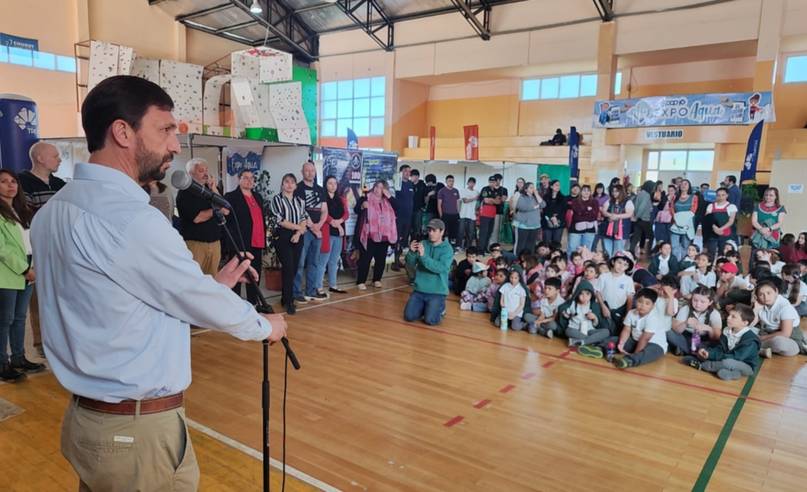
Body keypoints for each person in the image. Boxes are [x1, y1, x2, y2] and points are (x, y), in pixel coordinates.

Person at [31, 75, 287, 490]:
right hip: (135, 435)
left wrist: (213, 288)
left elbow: (117, 308)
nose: (174, 145)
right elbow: (183, 295)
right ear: (122, 131)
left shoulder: (53, 212)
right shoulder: (131, 219)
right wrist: (264, 326)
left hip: (90, 423)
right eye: (166, 130)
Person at [18, 140, 67, 359]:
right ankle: (40, 341)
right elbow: (27, 214)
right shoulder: (22, 183)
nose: (59, 159)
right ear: (40, 158)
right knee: (38, 295)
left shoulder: (60, 183)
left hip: (61, 247)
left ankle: (63, 338)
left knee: (63, 294)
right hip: (37, 248)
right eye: (55, 156)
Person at [0, 169, 43, 381]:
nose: (10, 185)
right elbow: (2, 249)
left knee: (19, 318)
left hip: (28, 267)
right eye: (4, 182)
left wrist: (32, 267)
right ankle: (2, 364)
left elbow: (28, 243)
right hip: (9, 272)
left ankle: (18, 358)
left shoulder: (21, 209)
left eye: (13, 181)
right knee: (4, 320)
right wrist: (25, 270)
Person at [580, 288, 668, 369]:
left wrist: (635, 354)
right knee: (614, 339)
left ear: (653, 306)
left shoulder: (653, 318)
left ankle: (629, 360)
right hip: (634, 341)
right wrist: (621, 344)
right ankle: (599, 349)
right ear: (636, 301)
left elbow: (645, 338)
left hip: (654, 344)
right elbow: (626, 330)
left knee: (648, 352)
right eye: (640, 301)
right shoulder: (631, 313)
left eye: (647, 303)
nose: (642, 305)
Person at [685, 304, 760, 381]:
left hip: (745, 365)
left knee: (727, 362)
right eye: (729, 315)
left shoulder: (750, 340)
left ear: (745, 323)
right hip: (726, 358)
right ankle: (734, 373)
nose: (728, 318)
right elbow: (720, 348)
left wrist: (712, 356)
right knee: (707, 349)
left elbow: (737, 358)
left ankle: (702, 365)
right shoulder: (727, 330)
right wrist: (708, 353)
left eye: (733, 317)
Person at [176, 157, 225, 277]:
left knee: (213, 280)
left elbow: (225, 208)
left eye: (206, 170)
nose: (206, 174)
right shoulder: (185, 192)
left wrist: (213, 187)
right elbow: (198, 218)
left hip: (214, 242)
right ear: (190, 174)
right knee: (194, 278)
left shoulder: (210, 189)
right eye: (201, 171)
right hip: (195, 244)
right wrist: (216, 210)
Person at [224, 169, 265, 306]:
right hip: (240, 242)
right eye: (246, 178)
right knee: (237, 274)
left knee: (254, 274)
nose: (249, 181)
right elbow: (227, 218)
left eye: (252, 178)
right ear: (239, 179)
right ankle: (233, 304)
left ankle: (253, 303)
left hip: (257, 241)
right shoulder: (231, 196)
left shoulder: (258, 196)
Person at [404, 218, 454, 325]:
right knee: (409, 316)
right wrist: (411, 253)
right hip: (420, 289)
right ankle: (426, 307)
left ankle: (440, 307)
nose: (431, 233)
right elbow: (410, 264)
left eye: (434, 230)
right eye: (429, 230)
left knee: (430, 320)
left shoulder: (447, 249)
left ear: (442, 232)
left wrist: (424, 256)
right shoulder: (423, 244)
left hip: (437, 292)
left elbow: (439, 268)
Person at [271, 173, 308, 314]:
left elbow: (304, 218)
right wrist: (298, 228)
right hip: (283, 236)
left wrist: (298, 234)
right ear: (282, 184)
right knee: (288, 267)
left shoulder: (299, 200)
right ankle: (289, 301)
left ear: (296, 185)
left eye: (292, 182)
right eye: (286, 182)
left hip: (298, 237)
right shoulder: (277, 199)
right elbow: (280, 220)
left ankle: (284, 297)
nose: (289, 184)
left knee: (294, 269)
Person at [293, 160, 329, 302]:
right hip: (304, 230)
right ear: (302, 172)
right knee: (300, 262)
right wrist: (313, 227)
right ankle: (296, 292)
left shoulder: (320, 189)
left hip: (317, 231)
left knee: (314, 262)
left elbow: (325, 211)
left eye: (312, 170)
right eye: (307, 170)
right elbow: (300, 210)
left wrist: (319, 225)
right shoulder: (298, 188)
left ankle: (311, 291)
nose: (310, 173)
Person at [357, 180, 397, 290]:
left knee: (381, 259)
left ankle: (377, 279)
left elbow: (398, 207)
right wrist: (362, 207)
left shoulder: (387, 201)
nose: (377, 189)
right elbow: (357, 210)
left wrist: (389, 196)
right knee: (365, 259)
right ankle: (361, 281)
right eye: (376, 186)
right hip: (369, 234)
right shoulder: (365, 197)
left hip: (384, 236)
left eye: (380, 187)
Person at [753, 279, 805, 357]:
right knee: (744, 330)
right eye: (761, 294)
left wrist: (762, 338)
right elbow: (750, 324)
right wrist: (756, 309)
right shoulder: (761, 304)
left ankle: (753, 346)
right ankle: (758, 349)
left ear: (776, 291)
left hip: (790, 339)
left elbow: (785, 333)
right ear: (757, 296)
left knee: (778, 343)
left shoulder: (785, 307)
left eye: (768, 293)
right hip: (768, 334)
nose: (766, 297)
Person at [668, 286, 722, 356]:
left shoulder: (714, 313)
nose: (698, 304)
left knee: (712, 345)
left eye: (702, 302)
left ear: (710, 302)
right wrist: (686, 323)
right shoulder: (686, 309)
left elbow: (717, 337)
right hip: (685, 337)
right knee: (668, 332)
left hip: (703, 340)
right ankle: (692, 352)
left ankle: (684, 350)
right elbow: (677, 330)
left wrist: (709, 329)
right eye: (695, 300)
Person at [320, 175, 349, 295]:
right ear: (326, 185)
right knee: (323, 261)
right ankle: (318, 287)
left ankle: (333, 285)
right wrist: (334, 223)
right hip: (328, 232)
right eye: (330, 183)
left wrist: (339, 222)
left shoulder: (341, 199)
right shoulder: (323, 198)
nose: (333, 186)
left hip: (339, 233)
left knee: (334, 260)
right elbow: (323, 214)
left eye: (335, 184)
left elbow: (346, 214)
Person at [560, 279, 610, 347]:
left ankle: (581, 341)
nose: (584, 297)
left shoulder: (592, 305)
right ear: (577, 294)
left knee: (606, 332)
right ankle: (592, 342)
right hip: (575, 329)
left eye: (587, 294)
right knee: (568, 331)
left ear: (591, 295)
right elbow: (565, 315)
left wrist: (594, 317)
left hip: (589, 330)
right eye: (581, 294)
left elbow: (595, 324)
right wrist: (566, 314)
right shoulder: (573, 304)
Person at [599, 184, 633, 257]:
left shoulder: (628, 202)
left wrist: (617, 216)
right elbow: (604, 211)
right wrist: (611, 215)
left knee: (618, 252)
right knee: (607, 252)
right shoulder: (609, 200)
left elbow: (629, 214)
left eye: (616, 191)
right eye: (613, 191)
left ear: (621, 192)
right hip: (607, 230)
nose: (614, 193)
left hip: (621, 230)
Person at [703, 187, 737, 259]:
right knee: (711, 253)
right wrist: (715, 228)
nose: (721, 197)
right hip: (712, 233)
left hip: (726, 234)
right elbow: (707, 218)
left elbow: (731, 221)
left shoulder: (731, 206)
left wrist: (721, 229)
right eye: (718, 195)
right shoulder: (711, 206)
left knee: (724, 254)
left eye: (723, 195)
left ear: (727, 195)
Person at [670, 179, 699, 261]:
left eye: (686, 184)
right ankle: (675, 263)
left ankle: (683, 262)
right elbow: (671, 208)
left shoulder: (694, 197)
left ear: (689, 186)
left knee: (685, 245)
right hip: (675, 224)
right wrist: (676, 219)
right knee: (674, 245)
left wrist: (683, 220)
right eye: (682, 184)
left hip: (688, 224)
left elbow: (693, 210)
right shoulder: (675, 197)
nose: (683, 185)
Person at [392, 164, 414, 269]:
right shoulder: (397, 183)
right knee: (396, 239)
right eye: (406, 171)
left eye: (409, 171)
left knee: (403, 240)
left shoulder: (410, 184)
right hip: (398, 217)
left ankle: (398, 259)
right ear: (401, 172)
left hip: (408, 217)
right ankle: (394, 261)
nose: (408, 173)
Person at [513, 181, 543, 256]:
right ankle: (517, 259)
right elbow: (522, 207)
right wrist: (534, 207)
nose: (533, 189)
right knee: (521, 244)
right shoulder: (521, 197)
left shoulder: (536, 198)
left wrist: (536, 194)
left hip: (535, 225)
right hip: (523, 225)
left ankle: (529, 260)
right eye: (531, 187)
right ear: (526, 189)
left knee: (531, 244)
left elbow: (543, 204)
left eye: (534, 187)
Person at [751, 187, 786, 252]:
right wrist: (761, 229)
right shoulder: (757, 206)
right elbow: (754, 221)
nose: (768, 197)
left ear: (776, 196)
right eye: (766, 195)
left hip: (773, 235)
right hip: (758, 234)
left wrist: (768, 229)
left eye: (771, 195)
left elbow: (779, 222)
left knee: (770, 256)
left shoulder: (781, 208)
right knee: (756, 255)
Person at [567, 184, 598, 255]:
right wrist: (588, 210)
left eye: (588, 191)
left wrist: (583, 212)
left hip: (590, 230)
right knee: (573, 249)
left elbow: (594, 216)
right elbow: (577, 216)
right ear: (580, 192)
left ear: (590, 192)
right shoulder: (575, 201)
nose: (586, 192)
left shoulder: (595, 202)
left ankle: (584, 265)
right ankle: (570, 265)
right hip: (575, 229)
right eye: (584, 190)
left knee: (586, 250)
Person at [630, 180, 655, 258]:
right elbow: (642, 207)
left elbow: (636, 205)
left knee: (636, 237)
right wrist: (637, 216)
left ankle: (631, 253)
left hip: (638, 219)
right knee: (651, 236)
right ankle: (649, 253)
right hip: (644, 219)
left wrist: (636, 216)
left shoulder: (640, 193)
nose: (653, 189)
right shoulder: (647, 195)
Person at [437, 174, 461, 246]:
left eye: (452, 181)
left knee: (453, 232)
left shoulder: (456, 191)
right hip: (445, 214)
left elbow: (457, 203)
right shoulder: (442, 191)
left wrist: (458, 212)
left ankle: (452, 247)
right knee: (444, 232)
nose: (451, 182)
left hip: (454, 215)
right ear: (446, 181)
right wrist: (441, 215)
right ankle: (443, 246)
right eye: (449, 181)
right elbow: (439, 204)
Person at [478, 176, 500, 250]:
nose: (492, 183)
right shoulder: (485, 189)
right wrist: (494, 200)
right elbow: (486, 200)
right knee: (483, 232)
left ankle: (485, 248)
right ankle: (480, 250)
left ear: (496, 183)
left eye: (493, 182)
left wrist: (491, 200)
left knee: (489, 232)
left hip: (492, 214)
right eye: (491, 182)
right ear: (489, 182)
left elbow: (498, 201)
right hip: (485, 213)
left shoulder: (496, 191)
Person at [542, 180, 566, 246]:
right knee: (546, 242)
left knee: (556, 243)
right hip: (547, 222)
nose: (558, 186)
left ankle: (555, 255)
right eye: (556, 185)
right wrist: (551, 217)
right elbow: (545, 209)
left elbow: (563, 211)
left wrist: (556, 217)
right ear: (551, 186)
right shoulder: (545, 197)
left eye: (559, 185)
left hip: (558, 223)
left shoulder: (563, 198)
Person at [458, 177, 479, 250]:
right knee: (461, 231)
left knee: (470, 232)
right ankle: (459, 246)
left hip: (472, 215)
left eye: (473, 182)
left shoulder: (476, 192)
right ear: (467, 183)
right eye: (470, 182)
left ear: (474, 184)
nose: (471, 184)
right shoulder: (463, 191)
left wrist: (476, 210)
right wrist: (474, 198)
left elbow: (477, 204)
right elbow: (465, 201)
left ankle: (468, 247)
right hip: (463, 214)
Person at [410, 169, 427, 239]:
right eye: (411, 176)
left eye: (413, 176)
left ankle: (417, 241)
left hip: (419, 209)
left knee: (417, 227)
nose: (412, 178)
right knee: (410, 227)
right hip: (410, 209)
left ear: (417, 176)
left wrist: (424, 206)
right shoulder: (409, 185)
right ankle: (411, 241)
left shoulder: (422, 185)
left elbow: (425, 197)